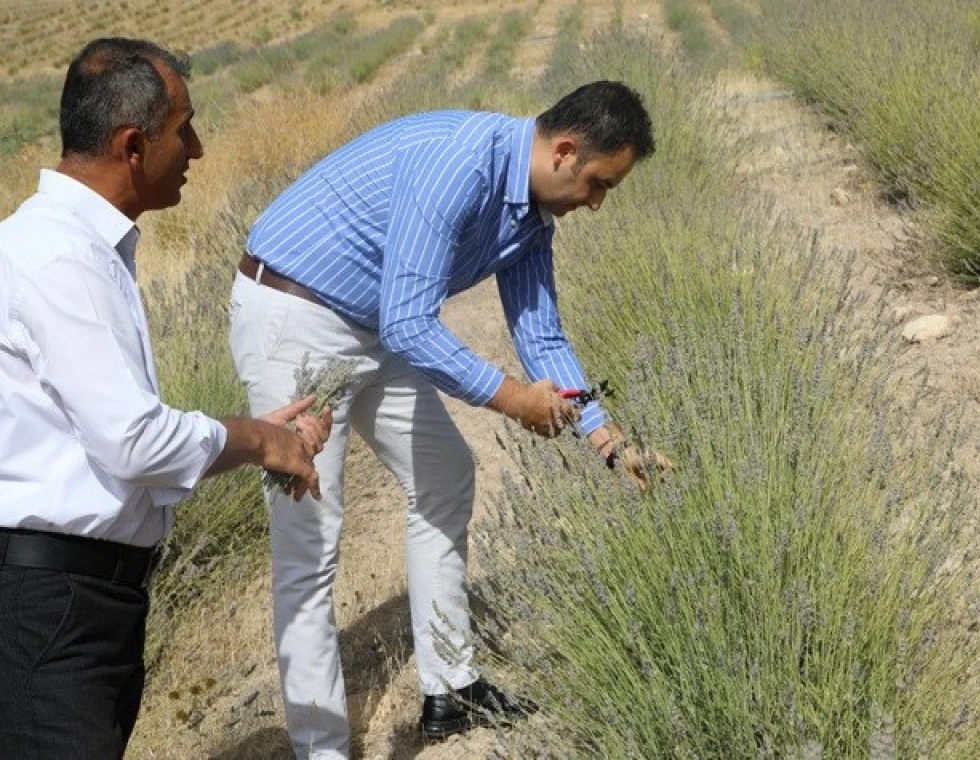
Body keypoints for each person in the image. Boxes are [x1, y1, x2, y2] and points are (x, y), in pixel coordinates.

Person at [229, 80, 670, 755]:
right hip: (299, 315)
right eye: (599, 183)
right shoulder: (459, 162)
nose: (598, 203)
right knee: (310, 536)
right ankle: (321, 747)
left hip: (372, 323)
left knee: (445, 474)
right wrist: (509, 397)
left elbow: (543, 338)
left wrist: (609, 442)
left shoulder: (530, 216)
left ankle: (450, 689)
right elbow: (412, 322)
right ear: (565, 151)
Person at [0, 38, 333, 759]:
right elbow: (133, 442)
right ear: (131, 145)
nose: (198, 149)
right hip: (53, 607)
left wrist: (249, 433)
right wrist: (261, 441)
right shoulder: (61, 259)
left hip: (80, 601)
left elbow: (104, 435)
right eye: (183, 128)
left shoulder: (73, 248)